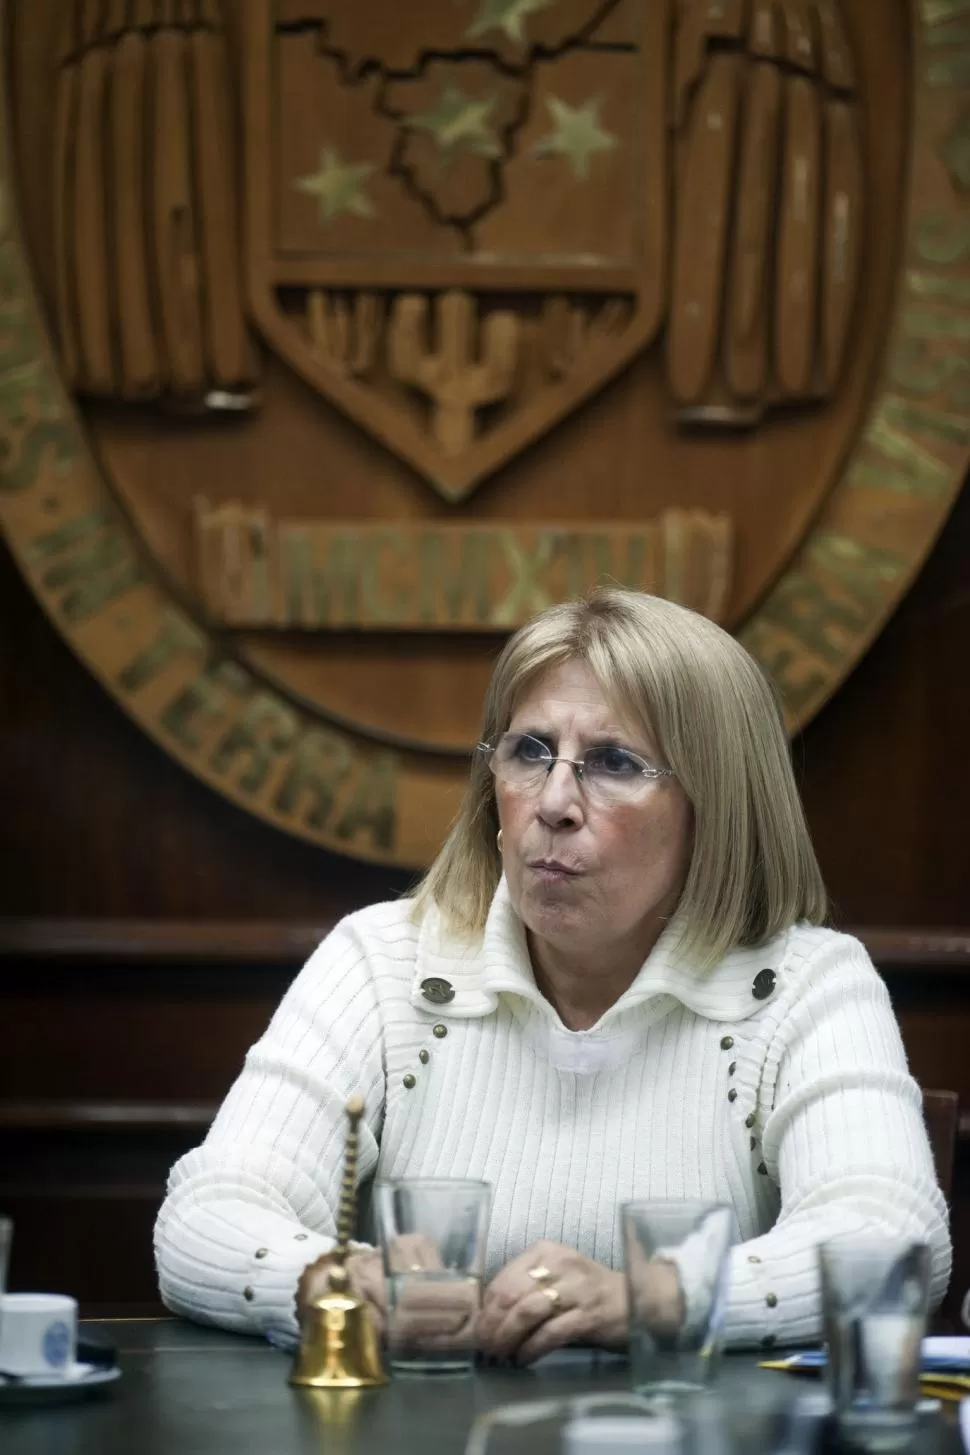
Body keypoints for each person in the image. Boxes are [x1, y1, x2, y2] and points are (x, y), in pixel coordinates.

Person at [154, 589, 951, 1363]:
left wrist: (658, 1296)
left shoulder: (805, 984)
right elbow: (206, 1215)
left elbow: (892, 1243)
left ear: (719, 804)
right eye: (530, 751)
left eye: (612, 761)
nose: (554, 800)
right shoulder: (383, 960)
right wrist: (333, 1279)